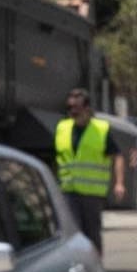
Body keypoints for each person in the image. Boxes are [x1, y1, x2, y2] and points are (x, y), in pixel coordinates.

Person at [48, 89, 120, 245]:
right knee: (73, 233)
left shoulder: (101, 129)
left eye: (76, 108)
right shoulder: (62, 128)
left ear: (87, 108)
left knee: (92, 234)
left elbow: (117, 156)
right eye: (70, 108)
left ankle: (95, 266)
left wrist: (119, 183)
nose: (73, 111)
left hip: (92, 193)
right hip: (68, 190)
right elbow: (56, 158)